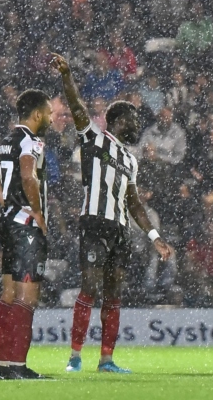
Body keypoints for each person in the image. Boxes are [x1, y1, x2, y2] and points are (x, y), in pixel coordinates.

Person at [51, 53, 172, 373]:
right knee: (89, 288)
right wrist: (67, 76)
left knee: (114, 294)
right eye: (133, 118)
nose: (136, 124)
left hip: (119, 230)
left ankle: (106, 359)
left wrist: (155, 237)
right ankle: (75, 357)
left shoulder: (131, 160)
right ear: (119, 120)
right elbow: (76, 106)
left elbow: (133, 203)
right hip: (93, 223)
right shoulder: (95, 138)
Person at [0, 89, 53, 380]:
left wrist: (8, 205)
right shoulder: (31, 141)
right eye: (48, 112)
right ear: (37, 114)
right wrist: (35, 211)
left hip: (7, 222)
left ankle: (3, 366)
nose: (51, 117)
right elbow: (28, 175)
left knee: (9, 294)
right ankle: (17, 366)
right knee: (27, 297)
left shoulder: (5, 141)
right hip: (25, 226)